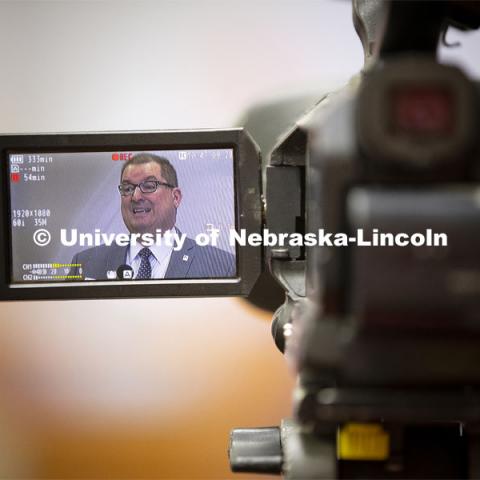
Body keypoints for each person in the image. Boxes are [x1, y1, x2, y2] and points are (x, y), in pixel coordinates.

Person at [70, 153, 235, 280]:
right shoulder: (86, 264)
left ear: (175, 197)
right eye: (127, 188)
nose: (135, 197)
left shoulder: (221, 266)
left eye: (149, 186)